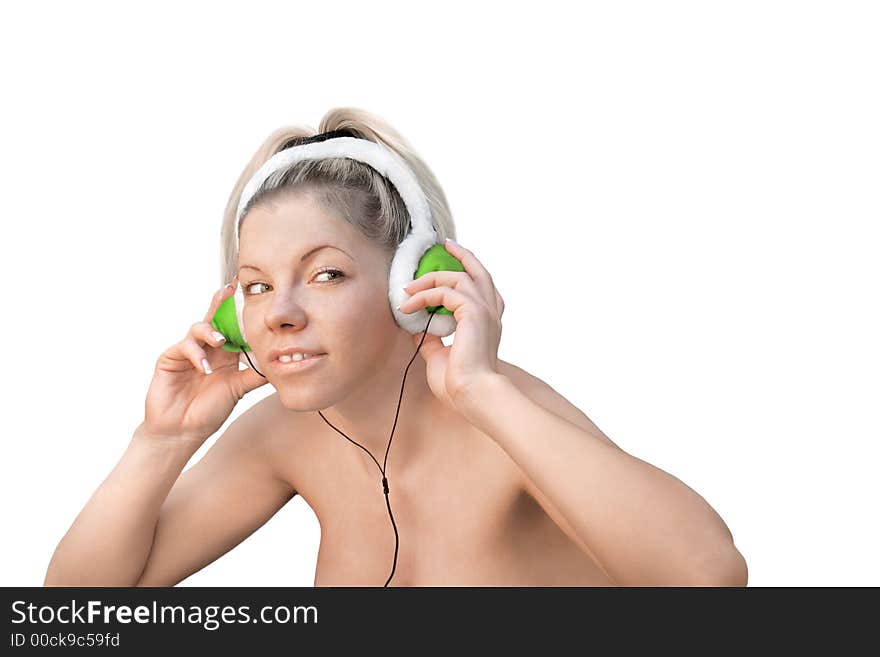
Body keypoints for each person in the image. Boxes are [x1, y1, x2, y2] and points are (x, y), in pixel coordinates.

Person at [44, 107, 748, 587]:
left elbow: (707, 575)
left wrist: (483, 390)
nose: (281, 313)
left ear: (414, 281)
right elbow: (76, 612)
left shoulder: (502, 414)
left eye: (325, 273)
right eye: (256, 286)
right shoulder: (282, 436)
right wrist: (161, 440)